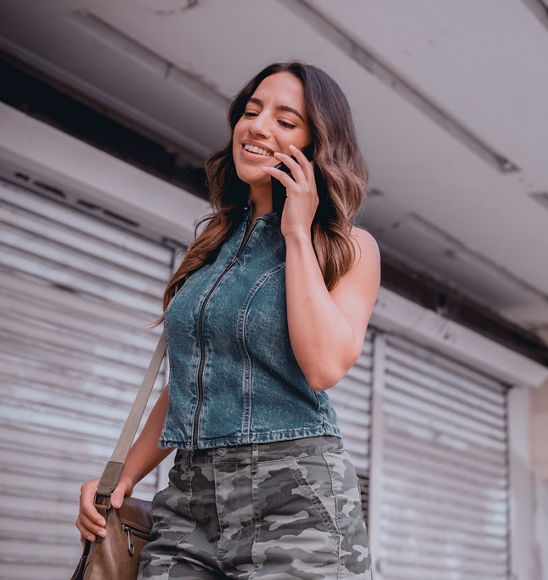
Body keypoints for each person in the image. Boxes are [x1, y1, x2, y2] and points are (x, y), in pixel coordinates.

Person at [76, 61, 380, 579]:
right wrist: (121, 477)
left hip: (297, 500)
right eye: (251, 110)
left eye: (286, 121)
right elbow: (192, 380)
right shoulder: (213, 246)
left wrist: (297, 233)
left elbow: (325, 366)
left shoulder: (347, 247)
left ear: (315, 147)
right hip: (190, 501)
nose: (257, 126)